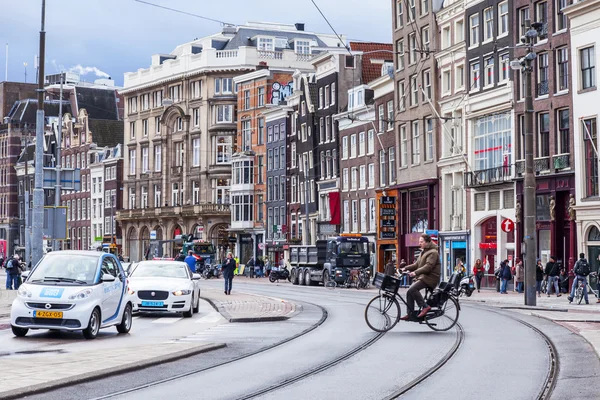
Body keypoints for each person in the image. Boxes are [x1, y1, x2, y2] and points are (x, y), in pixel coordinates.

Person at [399, 234, 441, 320]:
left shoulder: (433, 252)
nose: (419, 243)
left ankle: (425, 306)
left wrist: (415, 272)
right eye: (419, 241)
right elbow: (417, 264)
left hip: (430, 278)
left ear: (427, 242)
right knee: (409, 292)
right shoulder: (424, 252)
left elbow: (428, 267)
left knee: (412, 289)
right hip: (424, 276)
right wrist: (405, 268)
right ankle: (410, 314)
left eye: (421, 241)